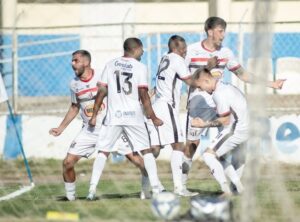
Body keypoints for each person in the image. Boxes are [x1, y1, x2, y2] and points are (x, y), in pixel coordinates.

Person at [182, 16, 286, 190]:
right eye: (220, 31)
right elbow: (185, 78)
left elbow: (243, 74)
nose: (223, 35)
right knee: (192, 145)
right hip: (198, 105)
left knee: (232, 147)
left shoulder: (226, 53)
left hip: (221, 106)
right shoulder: (191, 51)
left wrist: (270, 83)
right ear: (210, 31)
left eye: (224, 31)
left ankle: (234, 186)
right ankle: (181, 185)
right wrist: (207, 67)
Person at [49, 50, 151, 201]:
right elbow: (74, 107)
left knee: (138, 161)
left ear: (86, 62)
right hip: (89, 130)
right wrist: (61, 128)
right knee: (67, 163)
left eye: (76, 60)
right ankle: (71, 198)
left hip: (112, 127)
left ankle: (147, 190)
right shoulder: (74, 84)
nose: (72, 64)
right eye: (72, 61)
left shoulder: (103, 76)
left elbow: (123, 92)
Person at [86, 37, 163, 200]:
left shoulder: (110, 64)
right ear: (135, 49)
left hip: (113, 116)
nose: (142, 53)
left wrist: (94, 116)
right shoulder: (140, 67)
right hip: (133, 116)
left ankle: (91, 191)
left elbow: (101, 92)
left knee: (103, 152)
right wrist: (153, 117)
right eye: (142, 50)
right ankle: (156, 189)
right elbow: (143, 94)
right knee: (146, 151)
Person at [147, 35, 213, 196]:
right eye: (183, 49)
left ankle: (155, 186)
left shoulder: (164, 58)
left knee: (153, 149)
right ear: (177, 48)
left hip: (158, 105)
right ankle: (179, 188)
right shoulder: (177, 59)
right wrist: (207, 69)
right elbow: (191, 81)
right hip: (167, 106)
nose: (185, 52)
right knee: (178, 146)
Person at [191, 68, 248, 195]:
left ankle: (225, 190)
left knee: (208, 155)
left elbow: (225, 120)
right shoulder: (226, 86)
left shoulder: (219, 93)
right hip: (245, 127)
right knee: (220, 156)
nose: (201, 90)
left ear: (206, 80)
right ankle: (239, 188)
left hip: (236, 129)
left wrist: (203, 124)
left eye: (200, 87)